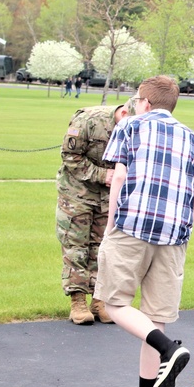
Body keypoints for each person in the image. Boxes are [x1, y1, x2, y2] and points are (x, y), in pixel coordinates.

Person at [94, 75, 194, 387]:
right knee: (152, 319)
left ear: (143, 100)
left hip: (133, 225)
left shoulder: (129, 126)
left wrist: (111, 224)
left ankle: (169, 349)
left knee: (113, 304)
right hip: (174, 234)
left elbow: (119, 178)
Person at [56, 104, 129, 325]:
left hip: (108, 196)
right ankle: (78, 301)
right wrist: (101, 174)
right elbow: (69, 155)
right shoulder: (89, 120)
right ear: (124, 113)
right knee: (77, 245)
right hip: (77, 193)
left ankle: (99, 301)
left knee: (103, 247)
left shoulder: (137, 128)